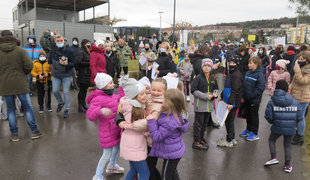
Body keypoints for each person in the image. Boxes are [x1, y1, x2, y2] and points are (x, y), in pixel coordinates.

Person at [0, 30, 44, 141]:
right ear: (12, 37)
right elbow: (29, 65)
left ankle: (14, 134)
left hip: (5, 83)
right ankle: (34, 131)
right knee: (27, 107)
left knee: (10, 109)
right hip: (20, 82)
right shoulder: (20, 50)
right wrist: (22, 73)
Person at [86, 73, 125, 180]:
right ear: (103, 86)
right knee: (107, 153)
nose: (113, 85)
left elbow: (121, 99)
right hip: (107, 131)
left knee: (117, 147)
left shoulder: (111, 95)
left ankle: (112, 165)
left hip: (115, 129)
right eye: (110, 83)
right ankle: (98, 176)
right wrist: (100, 111)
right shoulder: (98, 99)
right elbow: (90, 115)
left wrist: (122, 87)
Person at [146, 89, 189, 180]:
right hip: (175, 150)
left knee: (166, 176)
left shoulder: (169, 122)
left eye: (164, 100)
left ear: (170, 104)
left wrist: (151, 122)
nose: (162, 101)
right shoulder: (175, 114)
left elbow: (156, 136)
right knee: (172, 173)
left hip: (172, 154)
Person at [264, 80, 303, 173]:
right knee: (288, 145)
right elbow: (300, 116)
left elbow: (269, 117)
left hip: (277, 127)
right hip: (291, 129)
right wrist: (293, 123)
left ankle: (273, 157)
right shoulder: (295, 101)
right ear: (287, 89)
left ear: (276, 88)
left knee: (272, 139)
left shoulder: (272, 101)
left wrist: (274, 122)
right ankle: (288, 165)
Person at [118, 78, 150, 180]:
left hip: (129, 143)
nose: (145, 95)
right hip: (135, 146)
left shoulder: (128, 106)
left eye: (145, 93)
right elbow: (143, 128)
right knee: (145, 174)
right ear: (134, 96)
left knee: (134, 170)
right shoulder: (137, 111)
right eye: (142, 94)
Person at [191, 59, 218, 150]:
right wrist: (206, 96)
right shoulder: (198, 78)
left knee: (204, 124)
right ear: (202, 67)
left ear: (211, 67)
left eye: (209, 66)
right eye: (205, 66)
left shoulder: (213, 78)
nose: (207, 68)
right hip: (200, 105)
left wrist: (215, 93)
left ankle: (201, 138)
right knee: (198, 124)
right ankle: (196, 141)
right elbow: (193, 90)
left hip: (209, 106)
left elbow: (216, 88)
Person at [217, 55, 243, 147]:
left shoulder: (236, 75)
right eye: (230, 62)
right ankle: (231, 138)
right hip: (227, 101)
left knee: (230, 121)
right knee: (228, 121)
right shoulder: (231, 73)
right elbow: (226, 87)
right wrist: (222, 96)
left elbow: (235, 90)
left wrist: (230, 103)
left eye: (233, 63)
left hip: (232, 103)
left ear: (237, 64)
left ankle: (229, 140)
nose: (231, 64)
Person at [49, 34, 76, 118]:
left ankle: (66, 109)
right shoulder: (53, 49)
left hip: (66, 74)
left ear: (64, 40)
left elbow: (74, 63)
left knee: (66, 92)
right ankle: (60, 103)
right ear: (55, 41)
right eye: (58, 41)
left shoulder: (69, 50)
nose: (59, 42)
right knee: (55, 90)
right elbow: (50, 59)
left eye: (61, 41)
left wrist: (67, 63)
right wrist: (50, 64)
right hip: (56, 75)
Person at [240, 56, 265, 141]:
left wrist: (251, 96)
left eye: (250, 63)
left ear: (256, 64)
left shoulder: (260, 74)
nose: (248, 64)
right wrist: (243, 95)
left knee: (254, 116)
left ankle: (255, 133)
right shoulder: (248, 73)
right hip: (246, 99)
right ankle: (248, 129)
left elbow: (260, 87)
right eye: (248, 63)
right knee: (248, 115)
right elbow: (244, 85)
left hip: (254, 100)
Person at [289, 51, 310, 145]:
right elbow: (294, 81)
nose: (299, 61)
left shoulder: (308, 70)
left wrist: (297, 70)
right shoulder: (300, 68)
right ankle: (297, 133)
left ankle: (300, 136)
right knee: (297, 116)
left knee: (301, 118)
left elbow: (303, 81)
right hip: (296, 95)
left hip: (303, 97)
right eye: (299, 59)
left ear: (307, 61)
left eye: (302, 59)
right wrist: (289, 88)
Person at [76, 39, 91, 112]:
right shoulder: (81, 52)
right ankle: (80, 105)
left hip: (87, 73)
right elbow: (79, 62)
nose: (89, 44)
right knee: (81, 90)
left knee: (85, 90)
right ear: (84, 44)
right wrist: (89, 63)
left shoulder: (88, 52)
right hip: (83, 73)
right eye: (88, 43)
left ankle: (83, 103)